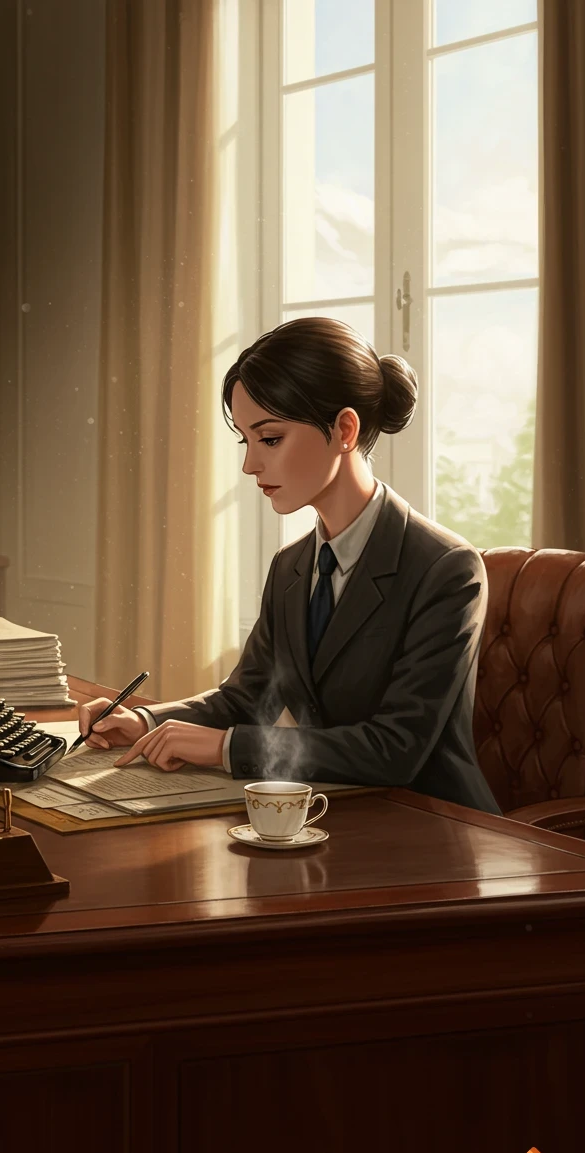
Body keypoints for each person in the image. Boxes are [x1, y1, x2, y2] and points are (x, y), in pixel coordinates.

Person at [78, 317, 501, 815]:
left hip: (434, 824)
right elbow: (245, 695)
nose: (250, 465)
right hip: (330, 812)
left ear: (344, 430)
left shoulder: (446, 569)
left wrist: (225, 747)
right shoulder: (291, 566)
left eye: (271, 439)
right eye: (246, 441)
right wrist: (145, 722)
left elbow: (395, 748)